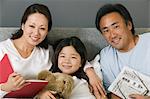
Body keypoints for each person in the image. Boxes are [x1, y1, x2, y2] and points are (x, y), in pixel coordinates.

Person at [0, 3, 105, 99]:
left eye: (42, 28)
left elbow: (71, 56)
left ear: (47, 31)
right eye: (31, 26)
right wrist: (5, 87)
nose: (36, 33)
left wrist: (90, 73)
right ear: (23, 25)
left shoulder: (47, 51)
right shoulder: (3, 49)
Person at [95, 3, 150, 99]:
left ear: (129, 25)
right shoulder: (106, 56)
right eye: (106, 30)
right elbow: (114, 94)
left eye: (115, 26)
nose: (112, 35)